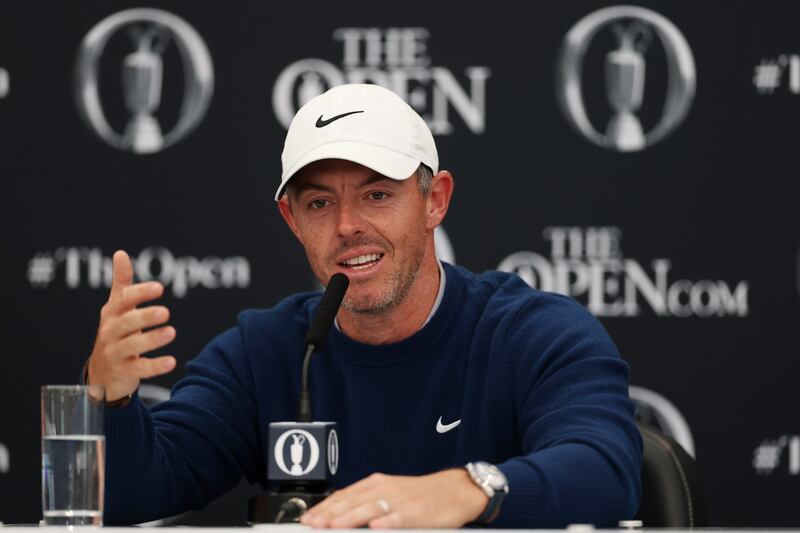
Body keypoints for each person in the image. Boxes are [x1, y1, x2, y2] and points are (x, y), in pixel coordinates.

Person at [86, 84, 642, 528]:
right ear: (292, 220)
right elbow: (135, 496)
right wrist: (111, 397)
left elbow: (606, 471)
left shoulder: (532, 333)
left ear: (435, 200)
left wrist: (469, 490)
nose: (348, 226)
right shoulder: (268, 351)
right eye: (321, 203)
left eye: (378, 194)